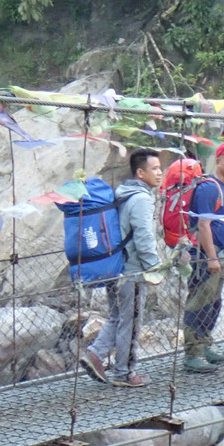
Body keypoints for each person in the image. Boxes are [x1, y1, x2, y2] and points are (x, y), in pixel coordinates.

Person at [80, 148, 164, 387]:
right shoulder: (141, 199)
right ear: (140, 172)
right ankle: (125, 373)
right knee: (132, 320)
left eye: (160, 168)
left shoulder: (122, 194)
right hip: (133, 271)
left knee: (118, 317)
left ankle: (95, 354)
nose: (160, 173)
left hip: (114, 267)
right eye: (154, 169)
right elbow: (144, 236)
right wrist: (154, 268)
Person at [182, 141, 224, 373]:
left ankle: (204, 345)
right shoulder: (209, 188)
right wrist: (211, 258)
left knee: (213, 303)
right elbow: (204, 225)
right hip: (203, 255)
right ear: (218, 161)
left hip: (217, 253)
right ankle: (192, 354)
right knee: (200, 303)